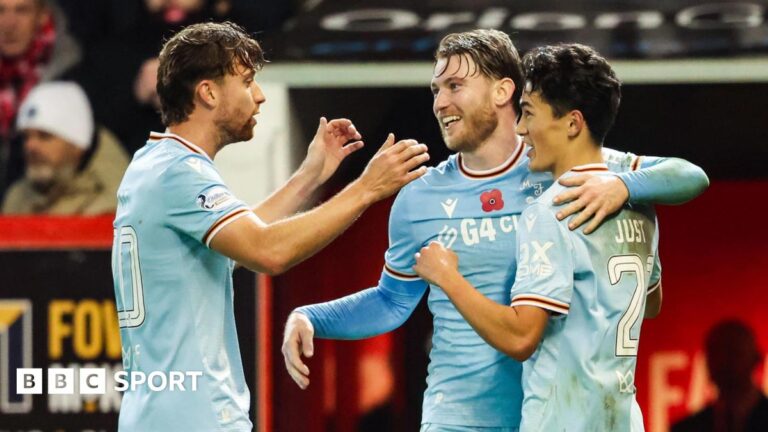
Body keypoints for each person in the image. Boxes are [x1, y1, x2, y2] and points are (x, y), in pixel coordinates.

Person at [282, 30, 709, 431]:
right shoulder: (419, 198)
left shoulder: (569, 167)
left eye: (454, 86)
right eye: (435, 90)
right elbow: (391, 302)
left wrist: (624, 186)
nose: (440, 103)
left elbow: (688, 175)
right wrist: (312, 317)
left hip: (547, 415)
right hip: (458, 418)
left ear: (503, 91)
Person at [111, 21, 429, 431]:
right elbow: (267, 251)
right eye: (246, 82)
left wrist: (310, 176)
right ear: (208, 93)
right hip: (197, 418)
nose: (259, 95)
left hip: (153, 415)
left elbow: (242, 242)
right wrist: (367, 189)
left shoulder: (149, 163)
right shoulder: (181, 173)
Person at [413, 43, 670, 431]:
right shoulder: (639, 204)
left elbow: (521, 338)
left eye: (529, 113)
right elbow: (651, 304)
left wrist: (448, 278)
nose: (520, 129)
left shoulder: (551, 211)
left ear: (572, 124)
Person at [2, 81, 128, 214]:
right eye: (26, 137)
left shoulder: (117, 209)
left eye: (45, 136)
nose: (30, 146)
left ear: (77, 146)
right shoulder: (16, 199)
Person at [0, 0, 81, 199]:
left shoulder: (73, 71)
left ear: (42, 15)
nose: (9, 24)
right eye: (0, 11)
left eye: (22, 11)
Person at [672, 320, 768, 432]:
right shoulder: (687, 428)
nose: (723, 362)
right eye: (715, 353)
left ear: (755, 359)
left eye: (733, 353)